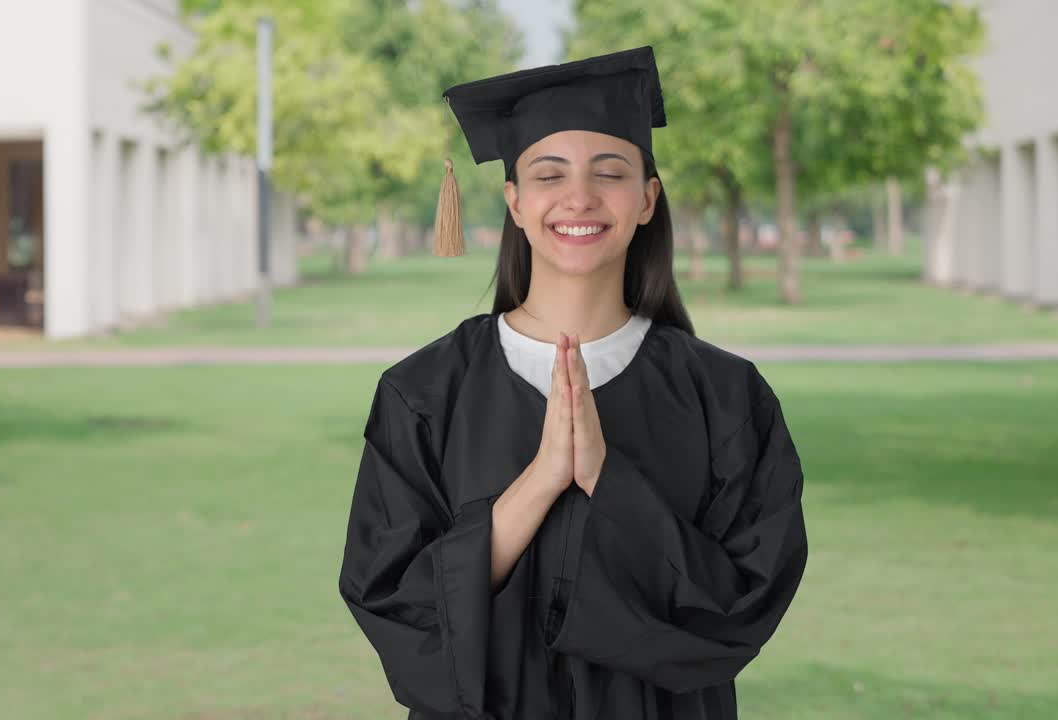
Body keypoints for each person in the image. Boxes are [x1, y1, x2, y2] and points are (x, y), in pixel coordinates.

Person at [338, 46, 808, 720]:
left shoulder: (727, 398)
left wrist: (605, 479)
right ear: (516, 203)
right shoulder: (424, 393)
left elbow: (744, 602)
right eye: (548, 175)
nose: (579, 198)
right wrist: (539, 482)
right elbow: (392, 602)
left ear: (647, 199)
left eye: (609, 172)